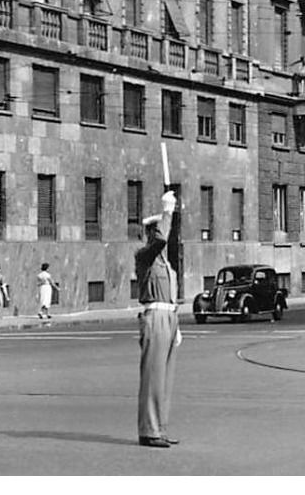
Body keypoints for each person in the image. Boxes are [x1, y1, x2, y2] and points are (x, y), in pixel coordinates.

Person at [135, 188, 181, 448]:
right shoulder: (144, 256)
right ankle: (149, 430)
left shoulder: (167, 266)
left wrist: (177, 323)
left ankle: (159, 428)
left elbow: (171, 296)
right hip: (154, 316)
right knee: (153, 376)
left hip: (169, 318)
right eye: (155, 229)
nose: (158, 233)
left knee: (166, 378)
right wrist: (167, 212)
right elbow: (162, 241)